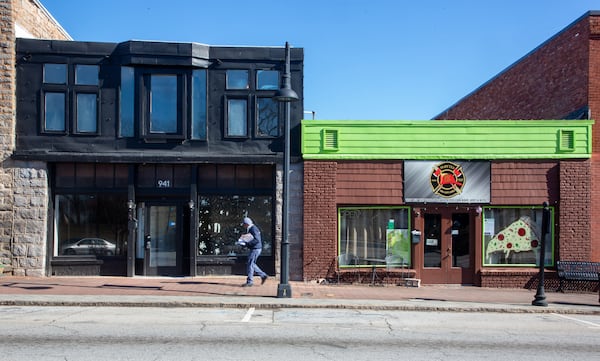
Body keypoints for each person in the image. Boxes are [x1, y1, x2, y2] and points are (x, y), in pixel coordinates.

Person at [237, 217, 268, 287]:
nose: (243, 226)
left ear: (246, 224)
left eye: (244, 224)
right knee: (251, 263)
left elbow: (256, 240)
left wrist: (246, 243)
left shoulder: (253, 229)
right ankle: (263, 275)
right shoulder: (252, 228)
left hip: (255, 249)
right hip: (255, 248)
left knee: (250, 264)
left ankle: (250, 281)